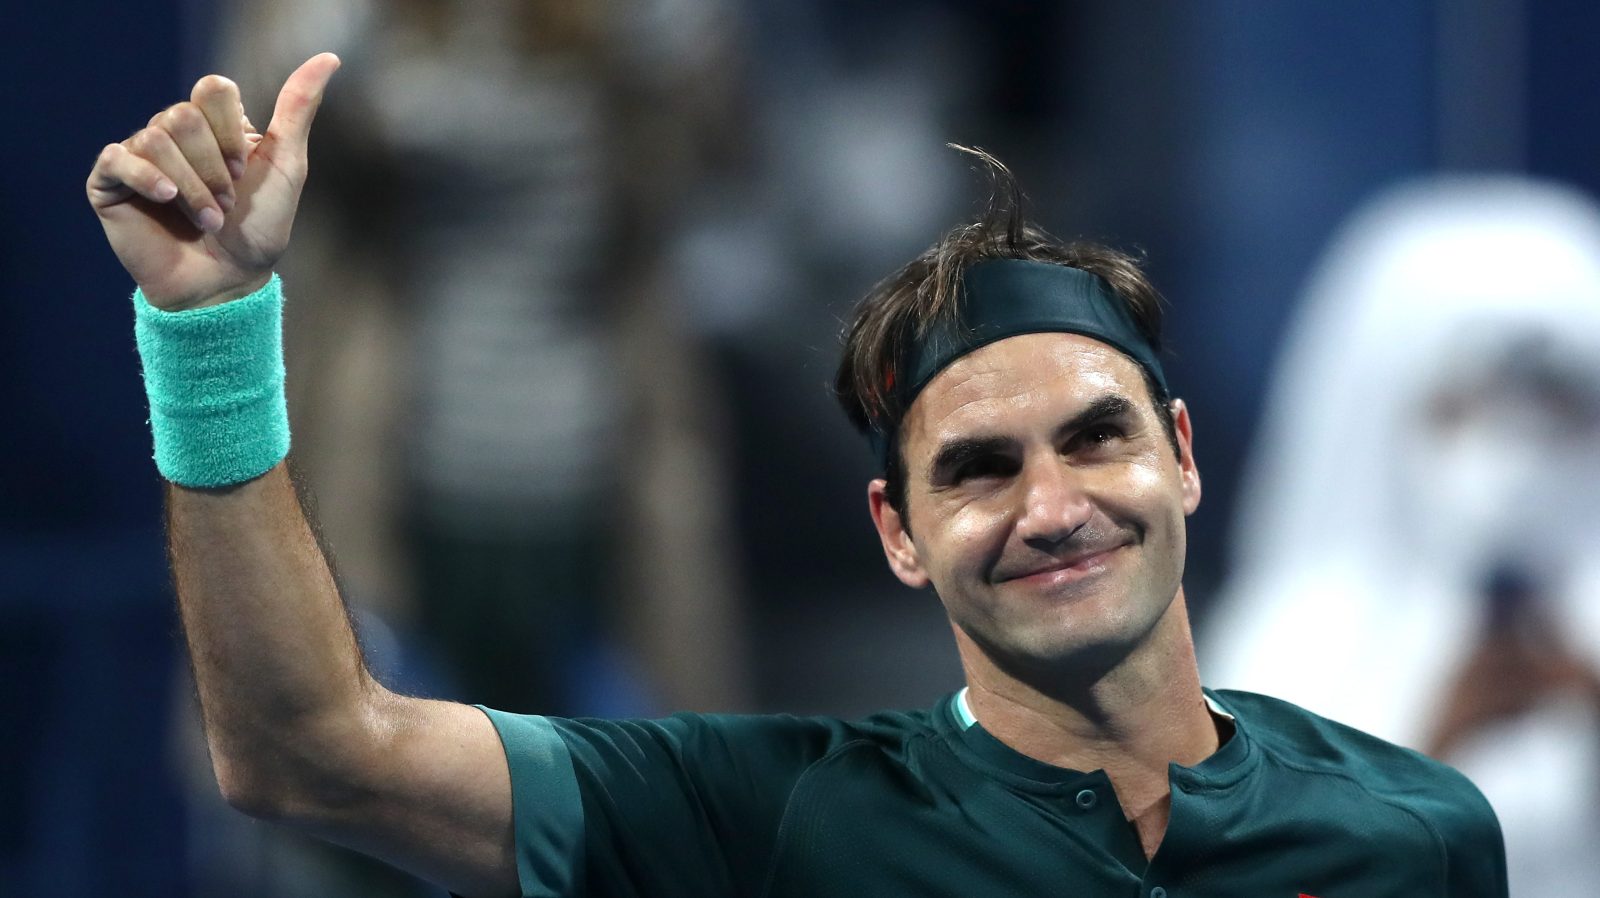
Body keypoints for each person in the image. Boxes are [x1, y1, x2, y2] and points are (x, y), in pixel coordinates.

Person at [87, 57, 1506, 897]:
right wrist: (208, 331)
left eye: (1095, 436)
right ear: (899, 531)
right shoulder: (773, 821)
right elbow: (306, 749)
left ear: (1181, 456)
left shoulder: (1418, 835)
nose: (1054, 504)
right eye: (979, 469)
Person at [1200, 176, 1600, 896]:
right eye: (1464, 408)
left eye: (1555, 407)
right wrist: (1434, 751)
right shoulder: (1288, 653)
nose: (1514, 455)